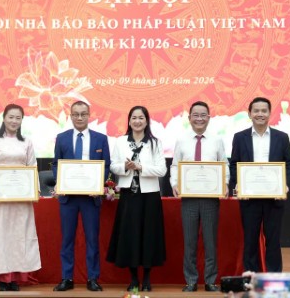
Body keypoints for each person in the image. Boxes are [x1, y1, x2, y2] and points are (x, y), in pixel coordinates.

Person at [230, 97, 290, 272]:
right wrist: (238, 184)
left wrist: (285, 184)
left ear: (269, 113)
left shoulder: (282, 137)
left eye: (264, 111)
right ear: (249, 114)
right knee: (250, 240)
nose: (260, 114)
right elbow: (234, 164)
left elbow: (289, 164)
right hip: (249, 198)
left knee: (273, 241)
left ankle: (273, 278)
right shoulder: (239, 137)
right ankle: (251, 277)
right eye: (256, 111)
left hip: (274, 198)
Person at [170, 101, 230, 292]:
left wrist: (225, 183)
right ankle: (191, 280)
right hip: (188, 198)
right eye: (195, 115)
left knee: (210, 242)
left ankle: (210, 281)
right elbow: (175, 165)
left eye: (203, 115)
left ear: (209, 118)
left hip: (210, 198)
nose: (199, 118)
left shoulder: (217, 140)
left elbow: (224, 164)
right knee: (190, 242)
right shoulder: (182, 140)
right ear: (189, 118)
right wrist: (174, 183)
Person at [52, 100, 111, 292]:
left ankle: (92, 278)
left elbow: (106, 165)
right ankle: (67, 278)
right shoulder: (61, 138)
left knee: (92, 239)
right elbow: (56, 164)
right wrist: (60, 182)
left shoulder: (101, 139)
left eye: (83, 114)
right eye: (76, 114)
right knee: (67, 240)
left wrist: (99, 184)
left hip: (90, 198)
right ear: (70, 116)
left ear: (89, 115)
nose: (79, 117)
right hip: (68, 198)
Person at [106, 106, 167, 292]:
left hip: (150, 196)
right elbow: (113, 165)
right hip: (129, 195)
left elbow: (162, 170)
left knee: (149, 235)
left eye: (141, 118)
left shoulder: (155, 143)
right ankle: (133, 278)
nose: (137, 121)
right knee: (129, 235)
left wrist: (141, 167)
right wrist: (125, 167)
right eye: (134, 118)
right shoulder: (121, 141)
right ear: (129, 121)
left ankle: (146, 278)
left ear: (147, 121)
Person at [0, 103, 41, 292]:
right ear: (4, 118)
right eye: (11, 117)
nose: (14, 121)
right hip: (0, 197)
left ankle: (15, 278)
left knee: (19, 236)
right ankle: (2, 278)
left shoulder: (27, 142)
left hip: (21, 197)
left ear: (22, 120)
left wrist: (34, 189)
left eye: (18, 118)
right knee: (0, 235)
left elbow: (33, 166)